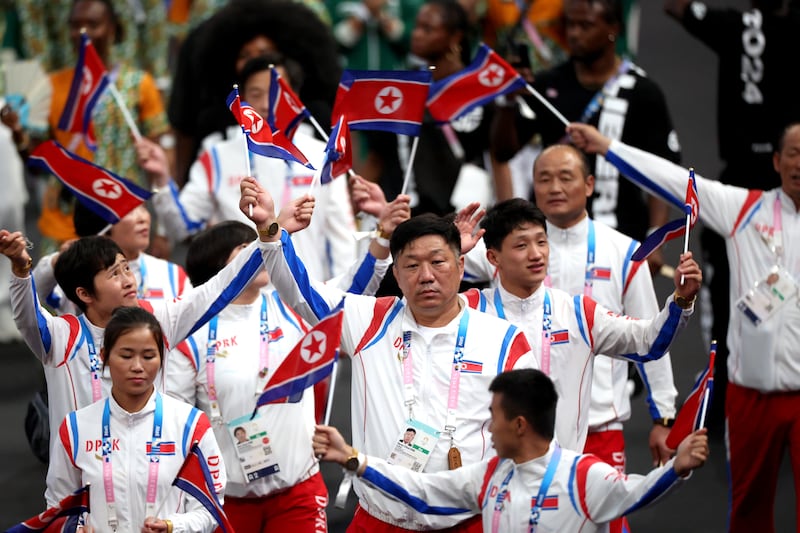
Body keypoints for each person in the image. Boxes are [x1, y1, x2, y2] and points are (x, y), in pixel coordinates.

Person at [240, 176, 535, 532]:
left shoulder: (505, 341)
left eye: (438, 262)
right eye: (411, 265)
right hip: (380, 520)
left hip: (470, 521)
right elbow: (299, 290)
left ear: (461, 266)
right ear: (395, 273)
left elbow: (529, 443)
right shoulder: (369, 319)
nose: (425, 276)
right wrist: (270, 231)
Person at [567, 121, 800, 533]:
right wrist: (606, 146)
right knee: (749, 511)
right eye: (795, 153)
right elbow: (675, 180)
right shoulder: (744, 209)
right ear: (778, 161)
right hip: (750, 397)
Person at [0, 222, 269, 467]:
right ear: (83, 293)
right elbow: (26, 316)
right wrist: (21, 270)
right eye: (114, 274)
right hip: (83, 489)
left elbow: (216, 288)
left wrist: (270, 232)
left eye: (126, 268)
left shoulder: (157, 319)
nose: (128, 280)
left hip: (149, 477)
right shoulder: (61, 337)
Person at [312, 368, 710, 533]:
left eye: (493, 415)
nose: (489, 425)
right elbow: (422, 491)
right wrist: (355, 460)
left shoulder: (583, 475)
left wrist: (677, 469)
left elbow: (637, 492)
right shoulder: (491, 474)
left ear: (519, 424)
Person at [454, 197, 697, 452]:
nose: (536, 254)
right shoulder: (468, 310)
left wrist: (681, 300)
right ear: (493, 257)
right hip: (489, 478)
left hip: (561, 476)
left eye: (541, 241)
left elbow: (650, 342)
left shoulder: (579, 314)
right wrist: (452, 249)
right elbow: (412, 312)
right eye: (521, 245)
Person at [663, 0, 800, 429]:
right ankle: (724, 399)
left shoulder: (734, 22)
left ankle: (729, 400)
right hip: (747, 189)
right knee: (730, 299)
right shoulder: (737, 23)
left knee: (740, 298)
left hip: (768, 182)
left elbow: (676, 8)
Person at [492, 0, 680, 273]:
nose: (574, 34)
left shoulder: (642, 91)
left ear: (613, 28)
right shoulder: (548, 84)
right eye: (570, 25)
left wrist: (655, 239)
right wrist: (507, 103)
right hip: (551, 242)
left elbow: (659, 172)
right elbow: (503, 151)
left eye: (585, 25)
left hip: (621, 240)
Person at [153, 54, 357, 281]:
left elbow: (342, 238)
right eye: (255, 94)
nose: (265, 104)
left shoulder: (322, 155)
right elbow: (183, 228)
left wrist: (339, 300)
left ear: (294, 97)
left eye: (274, 93)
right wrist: (161, 180)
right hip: (240, 298)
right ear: (244, 101)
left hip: (305, 300)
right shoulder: (217, 156)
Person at [46, 306, 225, 533]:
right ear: (105, 357)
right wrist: (73, 529)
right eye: (126, 355)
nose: (138, 367)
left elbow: (210, 508)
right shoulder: (75, 428)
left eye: (149, 356)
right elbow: (57, 506)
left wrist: (172, 527)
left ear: (161, 357)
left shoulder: (191, 425)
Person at [26, 0, 170, 253]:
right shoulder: (50, 86)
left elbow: (160, 162)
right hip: (64, 221)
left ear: (113, 28)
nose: (82, 33)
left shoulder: (139, 83)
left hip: (121, 217)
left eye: (93, 24)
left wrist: (162, 231)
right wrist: (17, 132)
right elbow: (36, 157)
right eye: (75, 25)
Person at [168, 0, 339, 184]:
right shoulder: (213, 129)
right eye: (245, 55)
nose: (255, 62)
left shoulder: (314, 122)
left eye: (264, 53)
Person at [362, 0, 500, 217]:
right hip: (402, 218)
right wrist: (352, 212)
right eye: (417, 26)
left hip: (461, 218)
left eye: (428, 29)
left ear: (455, 37)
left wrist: (509, 214)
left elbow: (498, 160)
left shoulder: (478, 92)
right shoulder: (404, 89)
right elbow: (376, 157)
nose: (416, 34)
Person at [33, 202, 191, 316]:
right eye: (129, 211)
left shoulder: (172, 273)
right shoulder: (78, 274)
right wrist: (59, 260)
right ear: (101, 229)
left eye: (142, 207)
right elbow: (34, 296)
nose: (143, 217)